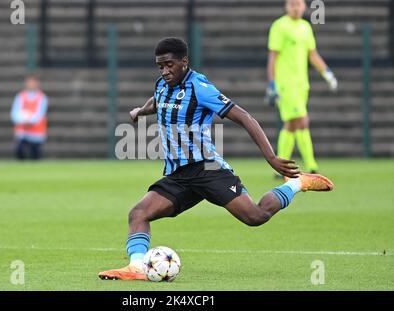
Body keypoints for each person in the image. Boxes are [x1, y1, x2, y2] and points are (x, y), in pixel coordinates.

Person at [98, 37, 334, 281]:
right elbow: (158, 101)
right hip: (179, 176)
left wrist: (271, 157)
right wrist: (140, 111)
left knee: (255, 216)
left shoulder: (200, 87)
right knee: (138, 213)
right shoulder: (162, 84)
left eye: (169, 65)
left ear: (184, 62)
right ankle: (137, 268)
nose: (165, 71)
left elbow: (244, 117)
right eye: (160, 66)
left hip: (208, 170)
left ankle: (296, 183)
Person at [266, 0, 338, 174]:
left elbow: (312, 54)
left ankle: (281, 166)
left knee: (290, 124)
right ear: (286, 6)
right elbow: (273, 57)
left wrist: (327, 73)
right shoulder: (279, 26)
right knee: (303, 120)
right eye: (292, 4)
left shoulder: (306, 27)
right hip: (286, 84)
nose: (295, 7)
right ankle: (312, 165)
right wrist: (272, 83)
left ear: (304, 6)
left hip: (301, 84)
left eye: (298, 4)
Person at [10, 74, 48, 160]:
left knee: (35, 154)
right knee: (20, 151)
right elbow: (14, 113)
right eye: (29, 82)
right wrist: (22, 120)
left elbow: (40, 114)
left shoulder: (42, 98)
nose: (31, 84)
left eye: (33, 82)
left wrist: (31, 120)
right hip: (23, 131)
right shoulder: (20, 96)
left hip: (36, 132)